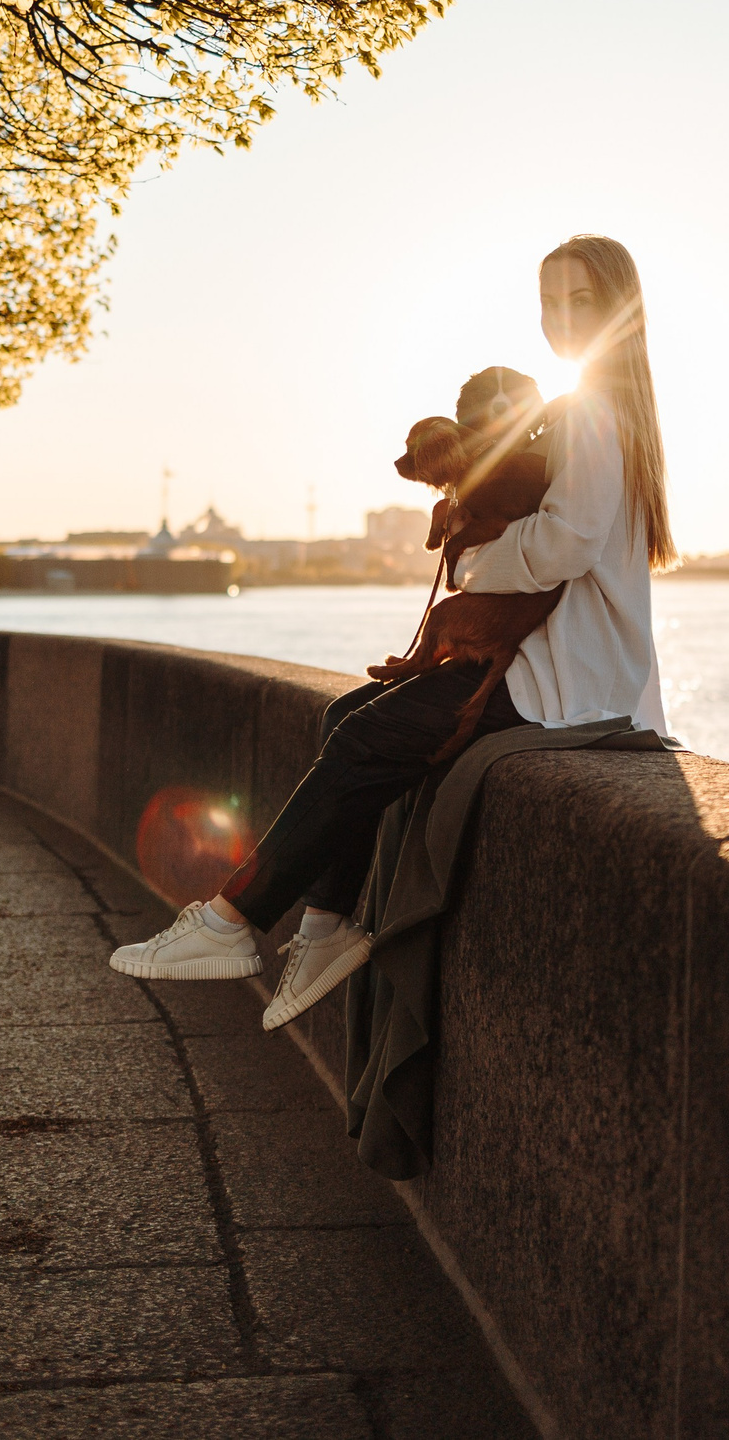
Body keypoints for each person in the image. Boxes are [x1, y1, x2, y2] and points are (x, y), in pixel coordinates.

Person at [107, 232, 677, 1029]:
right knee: (349, 718)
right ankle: (324, 928)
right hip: (569, 667)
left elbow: (566, 543)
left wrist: (471, 559)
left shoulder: (590, 409)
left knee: (362, 738)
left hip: (564, 682)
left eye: (581, 300)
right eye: (549, 301)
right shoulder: (604, 409)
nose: (560, 316)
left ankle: (231, 921)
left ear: (619, 308)